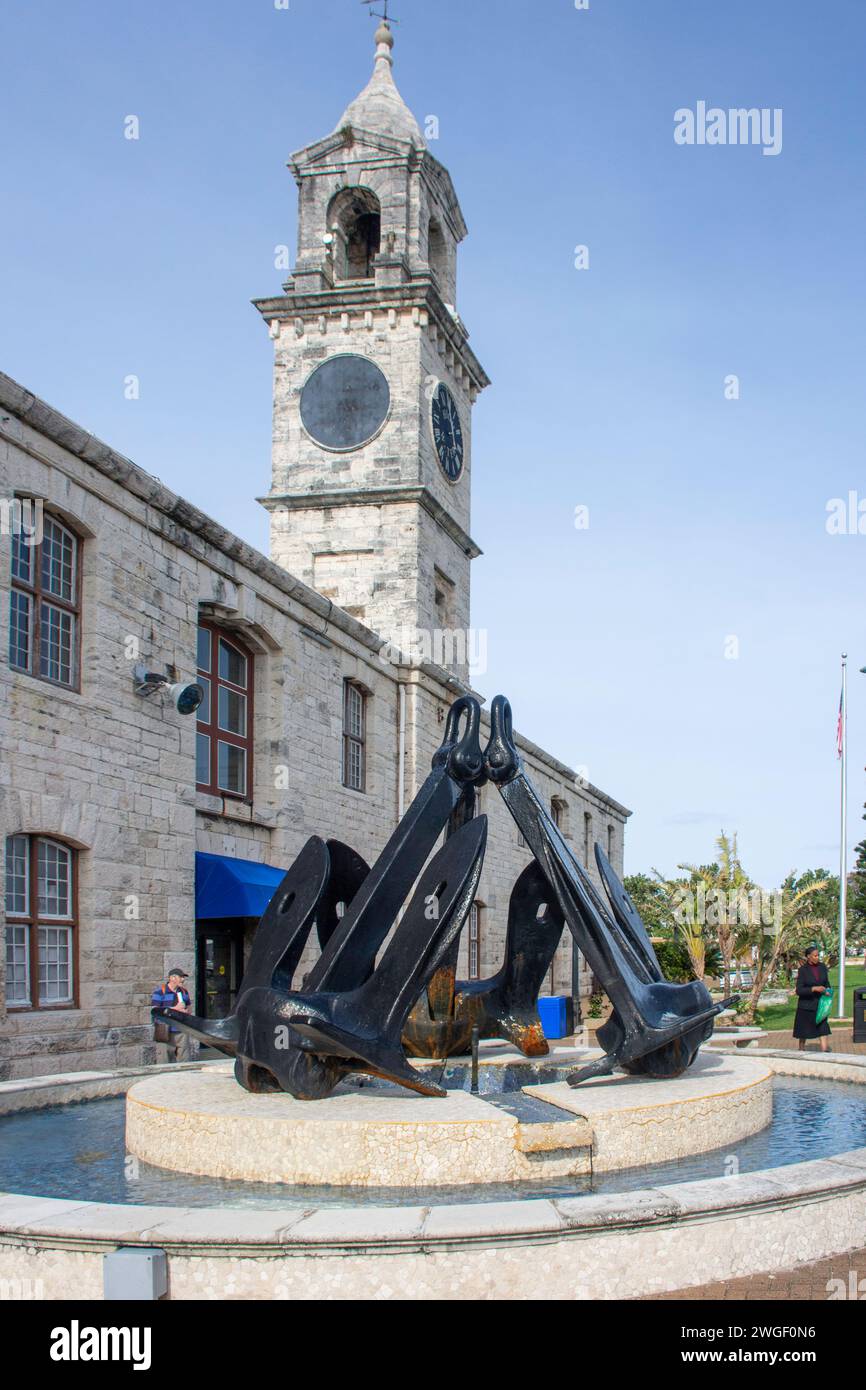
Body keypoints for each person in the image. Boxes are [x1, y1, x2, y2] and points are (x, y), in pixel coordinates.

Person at [793, 945, 832, 1053]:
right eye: (815, 956)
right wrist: (814, 989)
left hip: (820, 1005)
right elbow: (799, 990)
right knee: (803, 1031)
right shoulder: (803, 970)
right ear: (808, 957)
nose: (817, 957)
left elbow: (827, 983)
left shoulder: (822, 967)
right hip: (806, 1005)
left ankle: (824, 1051)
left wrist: (828, 990)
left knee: (823, 1028)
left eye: (818, 955)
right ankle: (801, 1049)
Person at [151, 968, 193, 1062]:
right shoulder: (160, 992)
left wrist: (186, 1011)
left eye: (183, 977)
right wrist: (175, 1008)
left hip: (181, 1030)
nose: (183, 980)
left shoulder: (184, 992)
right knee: (164, 1061)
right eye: (181, 977)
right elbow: (155, 1011)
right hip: (165, 1030)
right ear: (172, 978)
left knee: (184, 1060)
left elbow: (189, 1009)